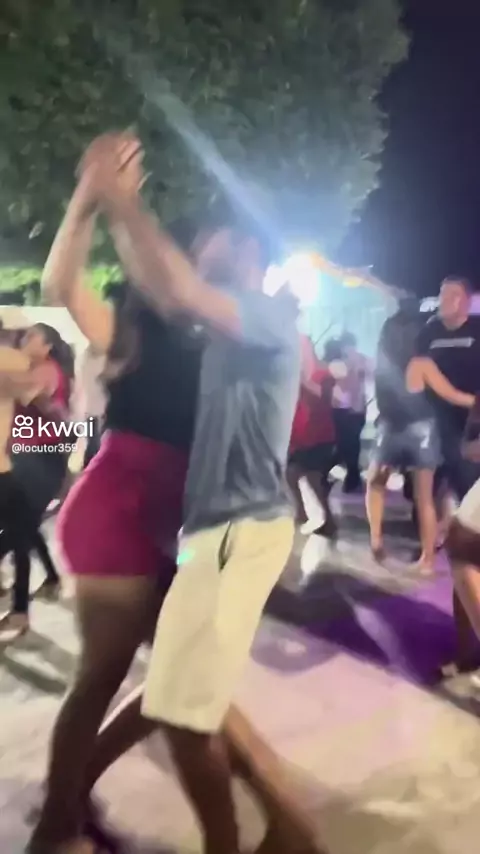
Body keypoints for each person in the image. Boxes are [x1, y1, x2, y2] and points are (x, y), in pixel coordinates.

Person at [59, 132, 320, 854]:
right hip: (206, 531)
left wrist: (119, 200)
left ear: (249, 251)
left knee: (184, 713)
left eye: (215, 236)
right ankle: (281, 833)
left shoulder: (265, 316)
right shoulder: (214, 332)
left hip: (240, 529)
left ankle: (239, 841)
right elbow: (160, 286)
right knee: (175, 691)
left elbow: (176, 285)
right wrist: (101, 206)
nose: (201, 244)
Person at [367, 300, 474, 572]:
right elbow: (452, 395)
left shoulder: (384, 364)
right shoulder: (421, 362)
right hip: (420, 429)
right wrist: (475, 402)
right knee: (423, 496)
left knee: (377, 483)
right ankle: (426, 559)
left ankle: (377, 543)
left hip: (391, 425)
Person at [416, 276, 480, 673]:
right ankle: (467, 651)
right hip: (440, 437)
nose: (445, 300)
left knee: (463, 544)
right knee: (460, 541)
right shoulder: (428, 333)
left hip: (469, 441)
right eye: (442, 293)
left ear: (468, 300)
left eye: (454, 294)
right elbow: (414, 377)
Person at [0, 323, 72, 634]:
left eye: (32, 337)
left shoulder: (44, 370)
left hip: (41, 458)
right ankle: (50, 581)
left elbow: (40, 402)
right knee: (25, 524)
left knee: (20, 527)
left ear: (47, 346)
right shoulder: (21, 365)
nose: (24, 339)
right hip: (22, 456)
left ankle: (21, 611)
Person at [288, 335, 337, 537]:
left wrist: (304, 381)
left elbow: (327, 398)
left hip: (320, 433)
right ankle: (302, 513)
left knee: (313, 479)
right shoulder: (293, 373)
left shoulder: (323, 373)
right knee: (291, 474)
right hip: (300, 433)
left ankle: (327, 520)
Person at [74, 343, 106, 469]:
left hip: (94, 411)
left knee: (94, 451)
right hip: (97, 412)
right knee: (95, 452)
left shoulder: (87, 355)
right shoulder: (89, 356)